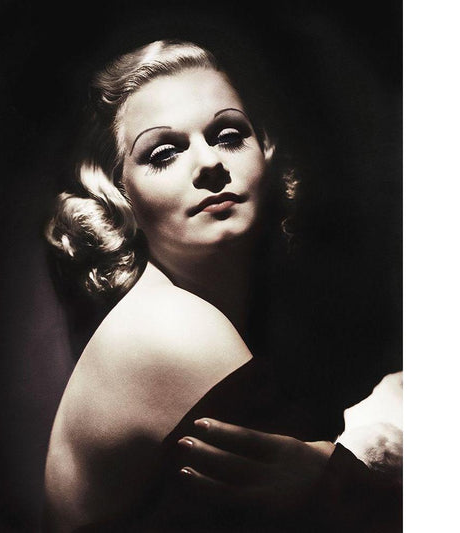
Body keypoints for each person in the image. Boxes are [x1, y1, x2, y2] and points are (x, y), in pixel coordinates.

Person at [43, 39, 401, 532]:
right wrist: (370, 449)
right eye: (163, 153)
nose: (209, 164)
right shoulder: (171, 329)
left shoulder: (219, 309)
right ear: (121, 195)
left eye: (229, 136)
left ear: (265, 155)